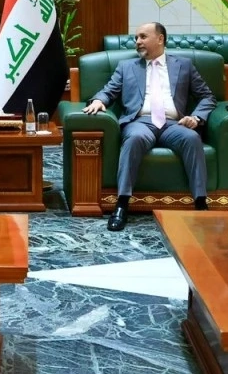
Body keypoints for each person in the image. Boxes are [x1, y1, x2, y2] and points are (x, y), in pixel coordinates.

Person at [82, 22, 215, 231]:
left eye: (143, 37)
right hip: (140, 122)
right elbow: (109, 90)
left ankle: (200, 203)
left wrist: (196, 118)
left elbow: (207, 96)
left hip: (173, 123)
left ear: (160, 39)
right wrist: (99, 100)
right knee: (134, 139)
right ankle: (122, 205)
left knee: (192, 138)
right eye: (136, 38)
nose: (137, 41)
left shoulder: (184, 65)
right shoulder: (126, 66)